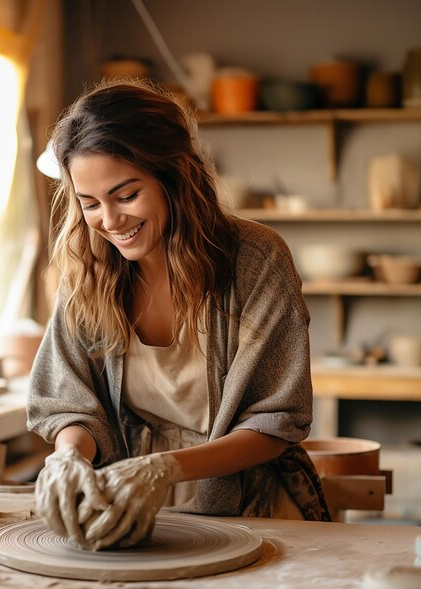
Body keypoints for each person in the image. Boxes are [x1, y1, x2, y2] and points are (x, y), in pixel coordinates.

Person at [27, 79, 330, 551]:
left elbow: (275, 421)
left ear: (175, 176)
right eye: (90, 203)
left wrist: (164, 469)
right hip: (126, 510)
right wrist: (68, 457)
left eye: (126, 195)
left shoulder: (255, 259)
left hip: (252, 509)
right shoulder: (87, 269)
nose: (109, 221)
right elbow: (69, 399)